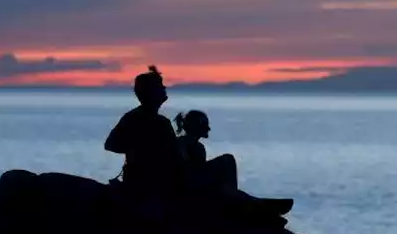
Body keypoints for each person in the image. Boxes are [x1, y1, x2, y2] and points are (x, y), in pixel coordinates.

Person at [174, 108, 293, 217]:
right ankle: (235, 198)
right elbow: (185, 168)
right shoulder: (182, 143)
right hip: (192, 183)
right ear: (196, 126)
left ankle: (257, 202)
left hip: (199, 181)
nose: (208, 128)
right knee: (228, 160)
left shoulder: (198, 146)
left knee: (237, 191)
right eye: (204, 124)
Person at [104, 66, 183, 197]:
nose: (164, 88)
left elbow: (111, 144)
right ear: (151, 92)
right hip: (151, 184)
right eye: (160, 86)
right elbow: (176, 161)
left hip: (141, 181)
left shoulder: (132, 117)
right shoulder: (158, 122)